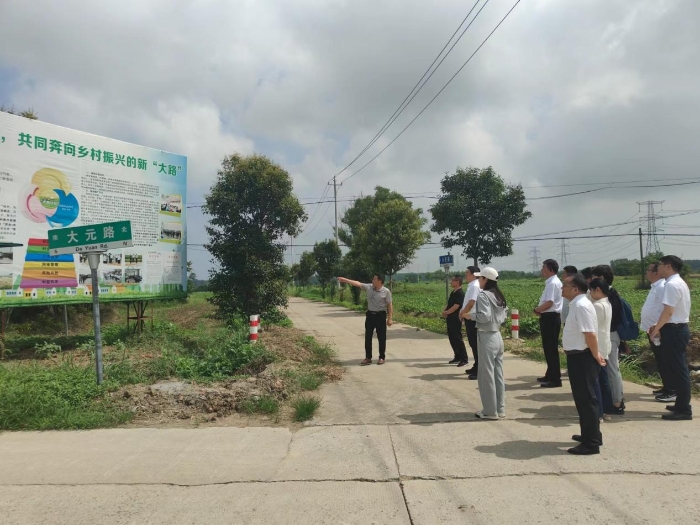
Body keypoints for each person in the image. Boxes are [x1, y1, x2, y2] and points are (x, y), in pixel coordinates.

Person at [561, 274, 607, 455]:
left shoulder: (581, 306)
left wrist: (595, 354)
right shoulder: (577, 304)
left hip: (583, 357)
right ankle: (590, 434)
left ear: (575, 289)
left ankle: (591, 443)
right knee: (583, 399)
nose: (562, 288)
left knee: (586, 400)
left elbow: (590, 334)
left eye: (565, 285)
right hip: (577, 356)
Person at [649, 255, 692, 420]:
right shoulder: (677, 282)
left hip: (674, 330)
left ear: (668, 266)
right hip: (676, 328)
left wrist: (657, 329)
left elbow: (668, 311)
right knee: (676, 368)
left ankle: (684, 409)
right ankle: (680, 404)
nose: (658, 268)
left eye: (660, 265)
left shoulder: (672, 284)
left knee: (679, 369)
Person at [466, 267, 507, 420]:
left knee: (486, 375)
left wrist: (470, 316)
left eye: (480, 278)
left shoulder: (483, 295)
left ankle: (490, 411)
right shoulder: (498, 295)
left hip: (486, 336)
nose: (479, 281)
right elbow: (504, 316)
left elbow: (484, 316)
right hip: (497, 335)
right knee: (498, 374)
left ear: (485, 280)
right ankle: (500, 408)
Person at [337, 274, 393, 365]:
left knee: (381, 338)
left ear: (380, 281)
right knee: (368, 337)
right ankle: (368, 358)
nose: (372, 280)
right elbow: (357, 283)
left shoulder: (386, 291)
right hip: (370, 315)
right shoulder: (369, 287)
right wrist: (345, 280)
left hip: (380, 316)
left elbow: (389, 305)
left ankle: (381, 357)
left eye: (374, 279)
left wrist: (390, 319)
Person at [591, 265, 625, 414]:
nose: (591, 280)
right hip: (610, 335)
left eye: (594, 277)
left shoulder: (608, 297)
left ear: (601, 278)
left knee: (611, 370)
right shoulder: (611, 294)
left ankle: (617, 402)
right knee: (610, 370)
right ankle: (613, 401)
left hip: (608, 336)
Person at [640, 263, 672, 400]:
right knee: (660, 359)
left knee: (665, 359)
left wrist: (657, 327)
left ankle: (671, 389)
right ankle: (666, 386)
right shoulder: (655, 287)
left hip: (658, 330)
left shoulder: (662, 287)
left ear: (655, 273)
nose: (646, 272)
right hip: (652, 330)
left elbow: (665, 309)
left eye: (648, 270)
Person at [534, 259, 563, 388]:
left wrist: (537, 310)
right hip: (550, 317)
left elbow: (549, 303)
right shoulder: (553, 282)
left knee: (550, 349)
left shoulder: (552, 283)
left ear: (550, 270)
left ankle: (555, 379)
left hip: (550, 318)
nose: (542, 270)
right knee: (549, 348)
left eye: (544, 268)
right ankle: (550, 374)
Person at [589, 278, 614, 421]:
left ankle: (598, 413)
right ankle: (607, 410)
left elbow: (592, 329)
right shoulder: (607, 303)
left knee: (595, 382)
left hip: (598, 347)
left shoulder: (597, 306)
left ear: (597, 290)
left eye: (591, 291)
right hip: (604, 346)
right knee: (603, 380)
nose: (590, 294)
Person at [459, 265, 481, 379]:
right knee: (473, 343)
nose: (465, 275)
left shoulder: (475, 286)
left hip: (473, 319)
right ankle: (476, 365)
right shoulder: (472, 285)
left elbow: (472, 302)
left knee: (475, 344)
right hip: (469, 317)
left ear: (474, 274)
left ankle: (479, 369)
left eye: (467, 273)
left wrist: (463, 313)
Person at [443, 275, 468, 366]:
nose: (451, 282)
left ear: (457, 282)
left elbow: (456, 306)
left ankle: (464, 358)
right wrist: (445, 310)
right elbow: (449, 303)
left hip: (456, 318)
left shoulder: (460, 293)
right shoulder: (453, 292)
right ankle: (457, 356)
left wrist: (447, 312)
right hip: (450, 318)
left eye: (453, 280)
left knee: (457, 338)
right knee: (452, 338)